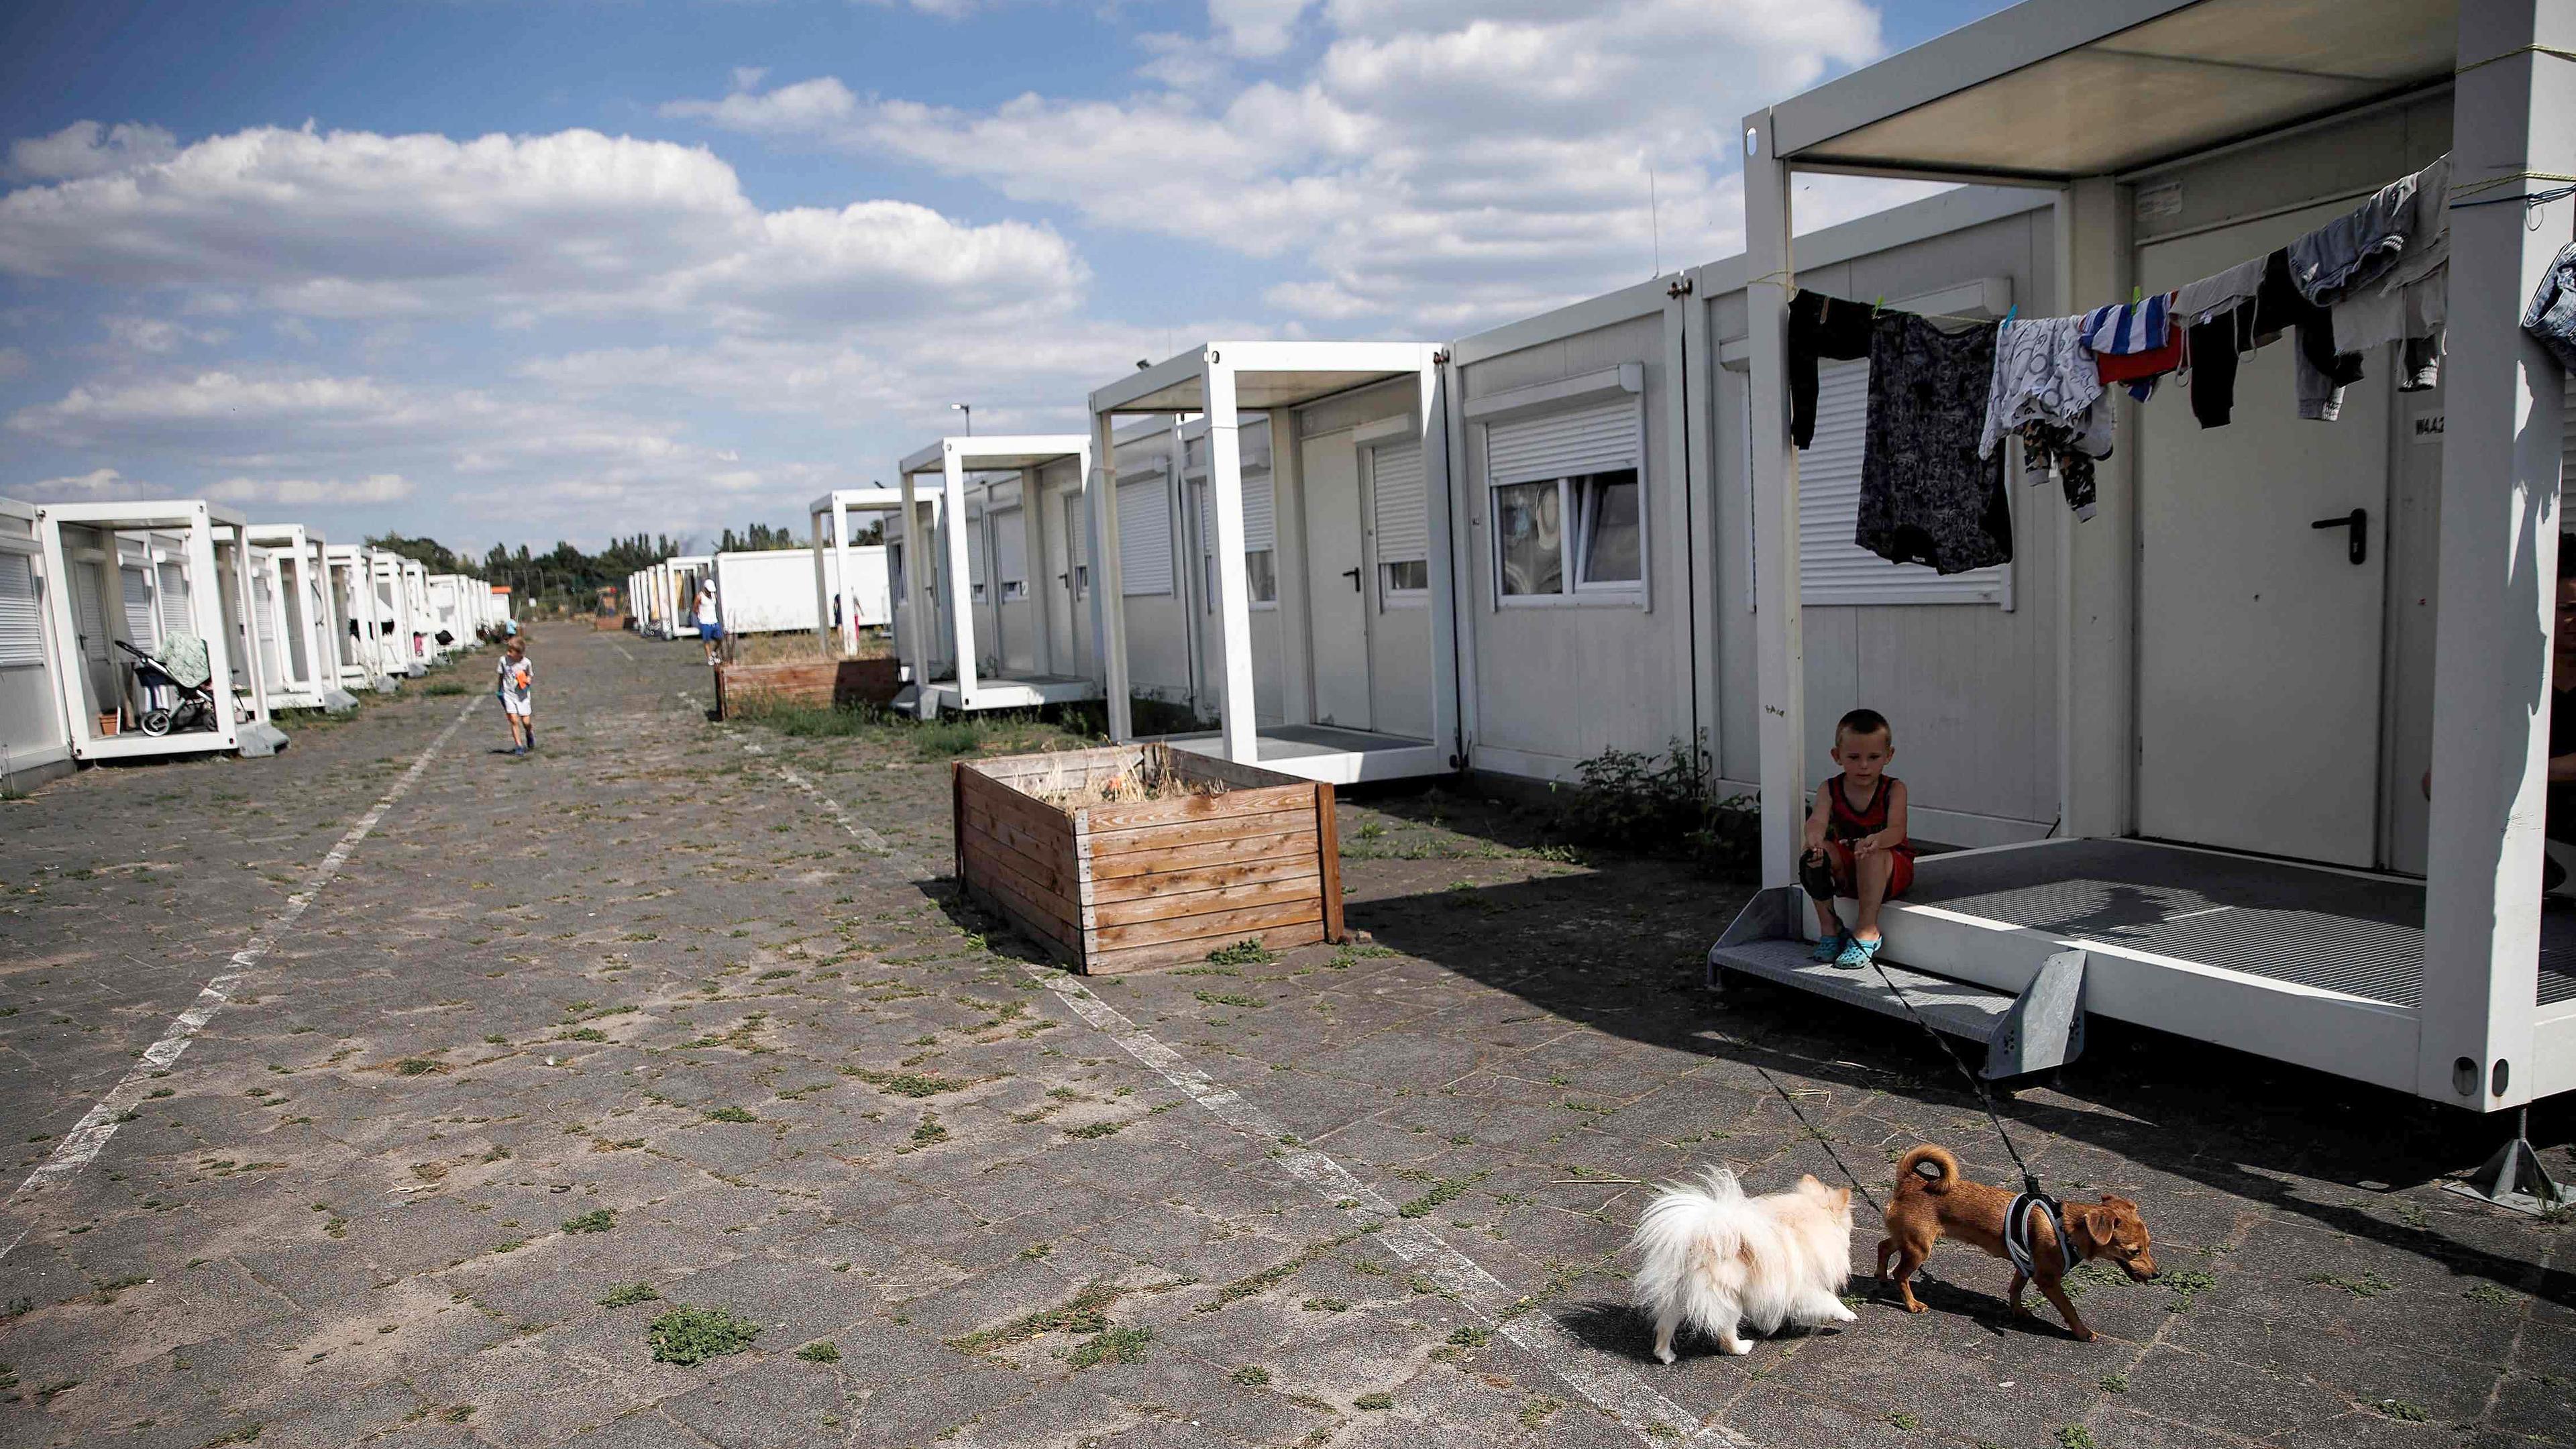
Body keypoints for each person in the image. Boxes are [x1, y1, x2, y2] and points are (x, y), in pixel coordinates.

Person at [1801, 707, 1915, 967]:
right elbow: (1818, 820)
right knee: (1813, 856)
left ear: (1889, 755)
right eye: (1854, 757)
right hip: (1851, 868)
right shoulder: (1830, 788)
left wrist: (1877, 840)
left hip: (1889, 868)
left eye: (1873, 757)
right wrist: (1814, 838)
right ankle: (1830, 928)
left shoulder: (1894, 789)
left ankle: (1867, 930)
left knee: (1872, 855)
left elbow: (1897, 830)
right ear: (1837, 756)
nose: (1864, 766)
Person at [496, 635, 534, 755]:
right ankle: (519, 745)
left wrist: (527, 680)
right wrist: (500, 690)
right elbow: (501, 675)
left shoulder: (526, 663)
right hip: (509, 694)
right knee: (513, 720)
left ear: (519, 653)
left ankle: (529, 733)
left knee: (526, 722)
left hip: (522, 696)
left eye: (511, 651)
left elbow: (530, 675)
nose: (508, 653)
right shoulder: (503, 660)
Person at [697, 576, 723, 665]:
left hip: (714, 621)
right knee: (706, 641)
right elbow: (695, 608)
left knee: (720, 638)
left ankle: (714, 653)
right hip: (705, 622)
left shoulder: (714, 596)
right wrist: (700, 617)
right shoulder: (700, 597)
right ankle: (709, 658)